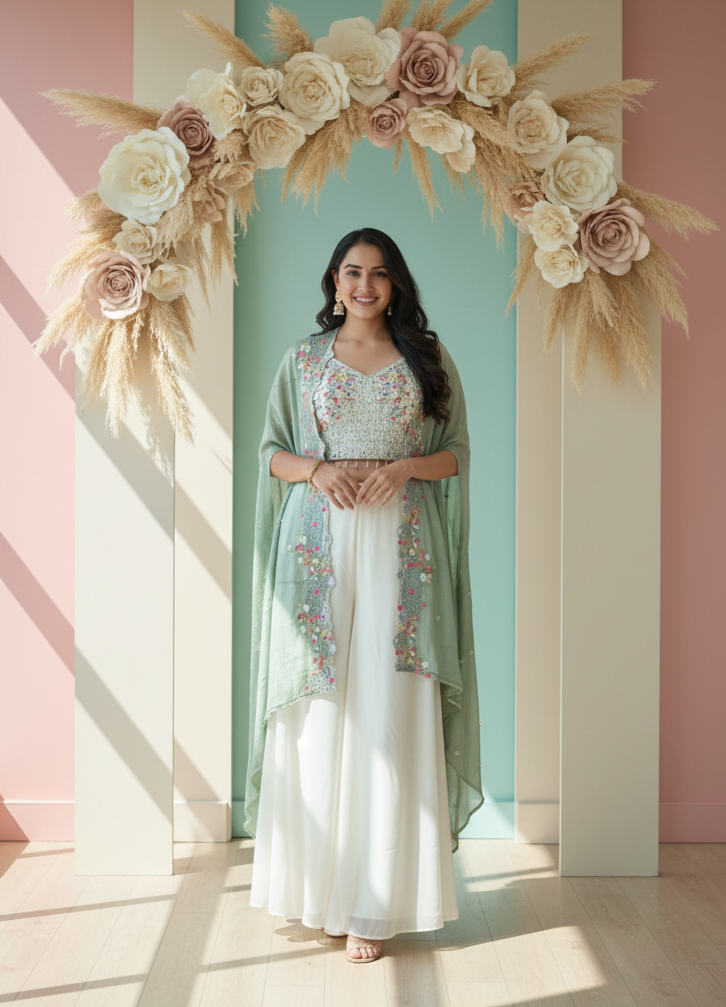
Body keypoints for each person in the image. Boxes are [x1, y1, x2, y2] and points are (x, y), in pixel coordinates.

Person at [245, 227, 483, 963]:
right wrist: (316, 473)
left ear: (396, 283)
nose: (364, 286)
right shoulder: (303, 360)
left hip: (401, 552)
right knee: (321, 709)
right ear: (333, 280)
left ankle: (373, 906)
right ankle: (318, 890)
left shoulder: (428, 360)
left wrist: (407, 465)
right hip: (317, 549)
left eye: (379, 274)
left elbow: (457, 454)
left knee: (387, 711)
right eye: (352, 272)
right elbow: (271, 453)